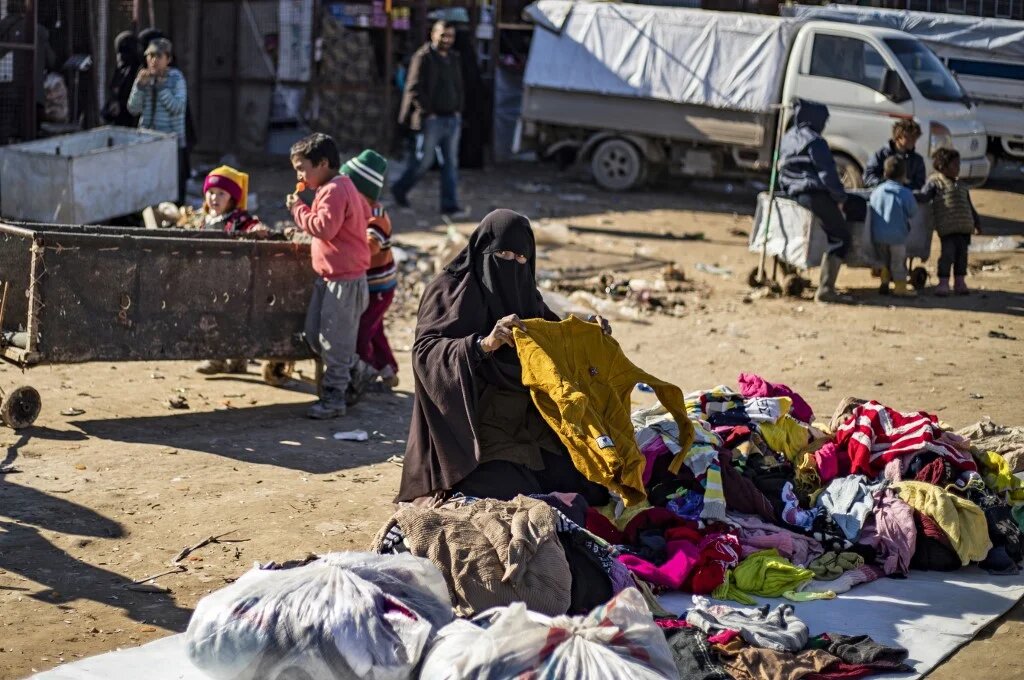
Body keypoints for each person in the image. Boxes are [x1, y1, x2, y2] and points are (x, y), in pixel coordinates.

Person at [396, 209, 612, 505]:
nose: (513, 264)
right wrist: (483, 344)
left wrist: (586, 330)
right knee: (509, 492)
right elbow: (426, 353)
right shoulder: (448, 290)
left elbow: (548, 333)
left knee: (587, 485)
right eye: (504, 254)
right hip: (473, 424)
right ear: (484, 250)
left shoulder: (524, 290)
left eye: (521, 258)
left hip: (526, 418)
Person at [287, 133, 376, 418]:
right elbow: (358, 213)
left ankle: (335, 399)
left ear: (323, 163)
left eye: (303, 168)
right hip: (332, 277)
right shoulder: (342, 187)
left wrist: (298, 209)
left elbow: (324, 228)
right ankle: (357, 369)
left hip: (345, 280)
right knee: (315, 335)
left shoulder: (335, 190)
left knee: (334, 343)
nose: (300, 175)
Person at [192, 166, 268, 376]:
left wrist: (255, 230)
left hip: (234, 279)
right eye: (211, 193)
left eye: (221, 194)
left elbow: (253, 225)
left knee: (234, 319)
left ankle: (237, 359)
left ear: (232, 198)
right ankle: (216, 358)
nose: (214, 198)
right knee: (211, 317)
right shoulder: (203, 220)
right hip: (209, 278)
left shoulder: (239, 219)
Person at [392, 20, 467, 218]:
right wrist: (428, 111)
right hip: (431, 120)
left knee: (450, 164)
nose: (447, 40)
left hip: (451, 119)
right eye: (443, 35)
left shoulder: (453, 58)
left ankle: (449, 205)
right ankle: (400, 190)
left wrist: (458, 109)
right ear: (433, 34)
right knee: (423, 162)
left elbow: (458, 86)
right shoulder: (423, 57)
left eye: (450, 36)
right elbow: (413, 88)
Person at [340, 149, 401, 391]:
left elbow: (369, 247)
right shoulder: (356, 212)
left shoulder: (375, 217)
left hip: (379, 287)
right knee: (375, 330)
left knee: (363, 330)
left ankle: (364, 369)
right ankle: (388, 370)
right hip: (370, 285)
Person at [778, 100, 850, 303]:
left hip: (794, 193)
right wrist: (841, 198)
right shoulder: (815, 141)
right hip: (813, 193)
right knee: (841, 237)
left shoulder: (788, 138)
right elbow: (828, 175)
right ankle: (826, 290)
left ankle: (788, 272)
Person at [127, 38, 188, 204]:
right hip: (147, 141)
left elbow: (178, 107)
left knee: (171, 189)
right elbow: (133, 108)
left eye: (158, 56)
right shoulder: (143, 77)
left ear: (168, 59)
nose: (153, 60)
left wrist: (162, 89)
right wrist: (139, 87)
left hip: (171, 143)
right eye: (150, 56)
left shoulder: (176, 79)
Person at [922, 147, 981, 297]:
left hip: (964, 229)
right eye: (955, 165)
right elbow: (924, 196)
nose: (958, 168)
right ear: (942, 166)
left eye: (958, 165)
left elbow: (969, 206)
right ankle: (943, 282)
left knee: (962, 256)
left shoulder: (962, 185)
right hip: (948, 229)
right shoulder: (936, 183)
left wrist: (977, 222)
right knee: (947, 255)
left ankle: (960, 282)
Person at [869, 157, 918, 298]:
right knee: (898, 263)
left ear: (884, 174)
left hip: (878, 235)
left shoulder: (877, 192)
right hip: (897, 236)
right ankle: (900, 287)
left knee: (884, 261)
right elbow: (913, 212)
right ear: (904, 175)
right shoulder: (905, 193)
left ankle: (884, 282)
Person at [864, 119, 926, 191]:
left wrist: (903, 187)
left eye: (915, 137)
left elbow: (920, 184)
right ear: (898, 136)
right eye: (910, 137)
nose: (914, 140)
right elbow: (868, 177)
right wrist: (889, 184)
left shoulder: (917, 160)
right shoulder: (881, 155)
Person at [102, 31, 141, 128]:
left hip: (133, 122)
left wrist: (121, 106)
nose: (120, 56)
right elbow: (114, 90)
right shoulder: (121, 69)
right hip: (118, 122)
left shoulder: (138, 70)